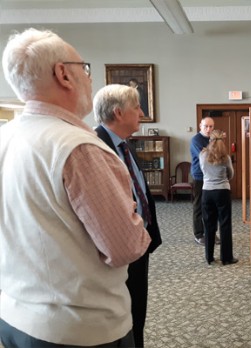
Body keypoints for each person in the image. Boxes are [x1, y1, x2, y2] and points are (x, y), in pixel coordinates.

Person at [0, 28, 149, 347]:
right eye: (85, 68)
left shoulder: (7, 136)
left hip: (15, 315)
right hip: (79, 328)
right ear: (62, 74)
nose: (89, 78)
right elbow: (126, 247)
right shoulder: (79, 148)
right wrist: (132, 216)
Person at [93, 84, 164, 347]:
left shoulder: (126, 145)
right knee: (122, 314)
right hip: (116, 248)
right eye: (137, 107)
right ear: (118, 112)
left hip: (138, 240)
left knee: (137, 309)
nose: (142, 112)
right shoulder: (94, 148)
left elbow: (139, 189)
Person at [201, 130, 238, 265]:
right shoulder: (225, 157)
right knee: (225, 224)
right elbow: (231, 174)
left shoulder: (202, 155)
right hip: (222, 191)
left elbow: (202, 170)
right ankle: (226, 258)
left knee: (209, 225)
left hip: (207, 192)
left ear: (210, 140)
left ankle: (209, 257)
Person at [191, 116, 219, 245]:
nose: (208, 129)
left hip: (212, 177)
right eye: (206, 126)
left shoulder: (213, 139)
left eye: (211, 126)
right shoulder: (196, 140)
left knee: (212, 206)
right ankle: (199, 234)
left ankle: (212, 233)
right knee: (199, 206)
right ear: (200, 126)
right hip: (200, 177)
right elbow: (207, 157)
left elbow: (219, 155)